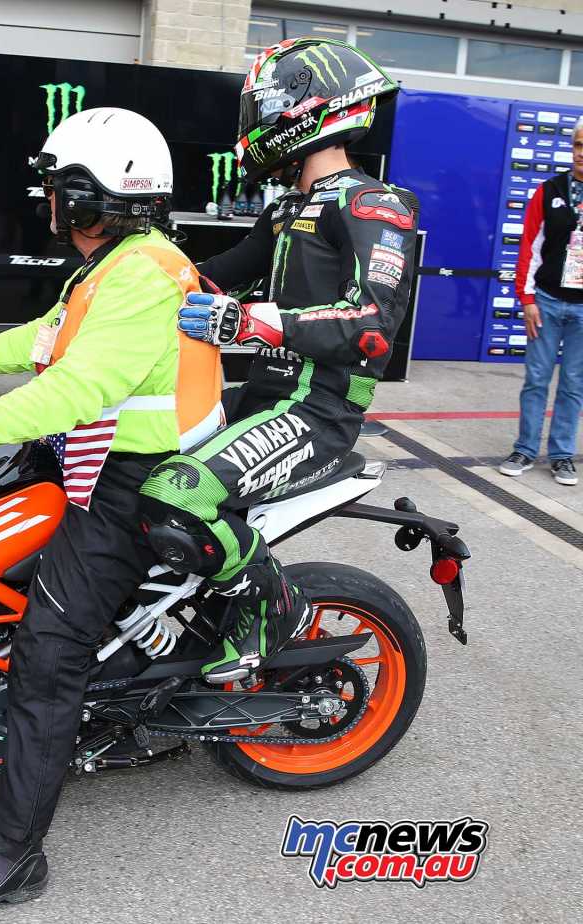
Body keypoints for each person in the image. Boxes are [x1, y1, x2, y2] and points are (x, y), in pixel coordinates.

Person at [0, 107, 223, 915]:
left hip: (132, 483)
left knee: (49, 654)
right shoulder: (114, 265)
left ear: (86, 196)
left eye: (55, 187)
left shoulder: (144, 272)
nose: (46, 199)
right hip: (97, 456)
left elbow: (81, 388)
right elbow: (52, 338)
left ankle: (14, 858)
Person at [142, 37, 420, 683]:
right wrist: (135, 281)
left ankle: (272, 613)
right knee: (126, 470)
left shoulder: (373, 204)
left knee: (178, 493)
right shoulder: (289, 205)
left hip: (316, 412)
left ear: (302, 109)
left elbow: (374, 327)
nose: (252, 124)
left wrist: (254, 323)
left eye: (260, 108)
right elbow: (215, 278)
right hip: (262, 400)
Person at [499, 116, 583, 486]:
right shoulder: (548, 190)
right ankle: (525, 449)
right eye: (579, 145)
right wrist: (527, 298)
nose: (582, 153)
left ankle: (562, 454)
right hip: (546, 302)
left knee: (574, 383)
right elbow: (529, 249)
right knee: (536, 379)